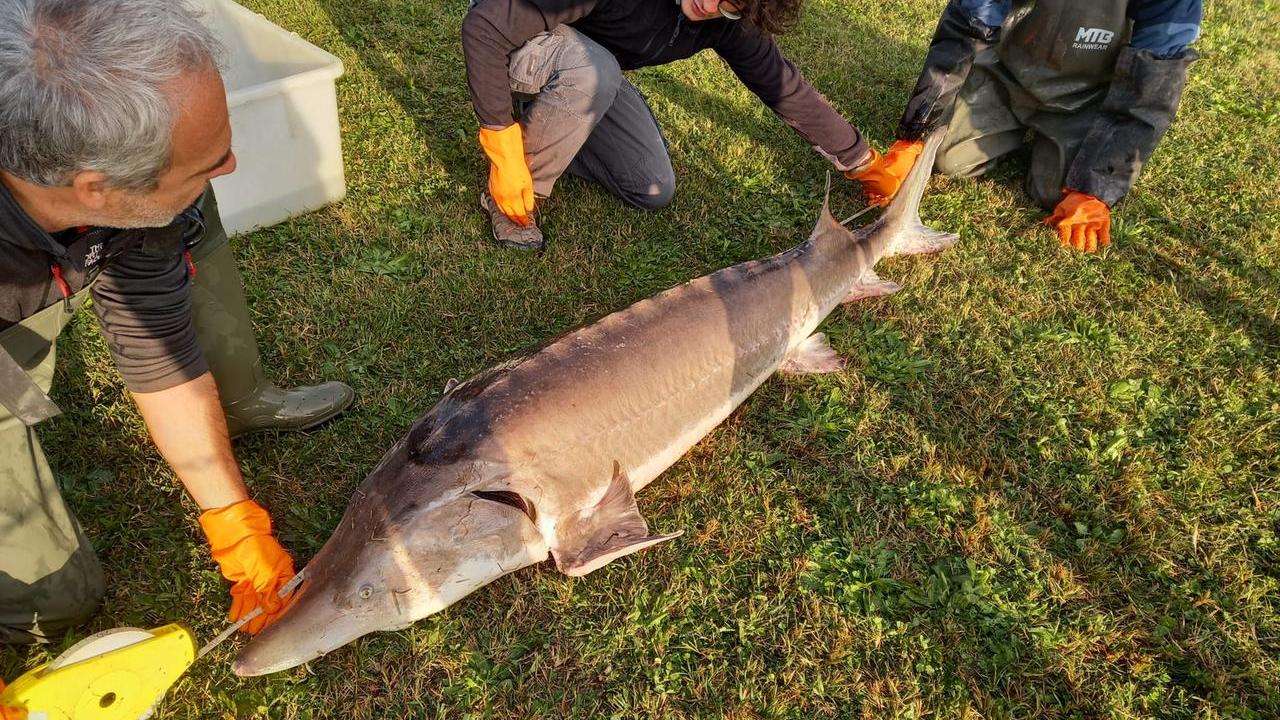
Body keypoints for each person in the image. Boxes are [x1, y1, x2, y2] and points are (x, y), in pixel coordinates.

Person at [0, 0, 355, 654]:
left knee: (176, 198)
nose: (233, 168)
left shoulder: (117, 179)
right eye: (211, 162)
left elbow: (156, 351)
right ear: (94, 190)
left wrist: (234, 523)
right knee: (52, 603)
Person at [461, 0, 896, 250]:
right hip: (513, 41)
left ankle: (547, 124)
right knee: (595, 70)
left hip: (587, 66)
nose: (709, 3)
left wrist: (862, 161)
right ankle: (515, 200)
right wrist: (504, 152)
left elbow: (784, 87)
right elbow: (485, 27)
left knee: (651, 187)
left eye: (731, 3)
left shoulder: (727, 19)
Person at [858, 0, 1202, 252]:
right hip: (1005, 71)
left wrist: (1097, 186)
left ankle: (1071, 143)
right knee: (946, 156)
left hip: (1087, 94)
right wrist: (917, 135)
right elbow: (969, 25)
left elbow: (1155, 80)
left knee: (1057, 193)